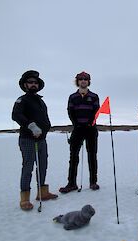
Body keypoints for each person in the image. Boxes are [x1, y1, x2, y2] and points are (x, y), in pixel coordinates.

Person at [12, 70, 58, 211]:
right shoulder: (22, 100)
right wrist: (32, 126)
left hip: (42, 140)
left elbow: (44, 118)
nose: (33, 84)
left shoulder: (40, 101)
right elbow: (16, 115)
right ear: (25, 85)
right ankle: (24, 198)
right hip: (28, 140)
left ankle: (42, 193)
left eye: (35, 82)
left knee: (43, 165)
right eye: (30, 82)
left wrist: (45, 128)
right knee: (28, 167)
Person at [59, 71, 100, 193]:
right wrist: (76, 124)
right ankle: (71, 183)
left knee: (92, 156)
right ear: (77, 82)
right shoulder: (72, 97)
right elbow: (70, 112)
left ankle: (93, 182)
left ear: (88, 82)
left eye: (85, 79)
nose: (83, 81)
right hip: (77, 129)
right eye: (81, 79)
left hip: (91, 129)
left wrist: (89, 123)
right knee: (73, 157)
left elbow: (96, 112)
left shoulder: (94, 96)